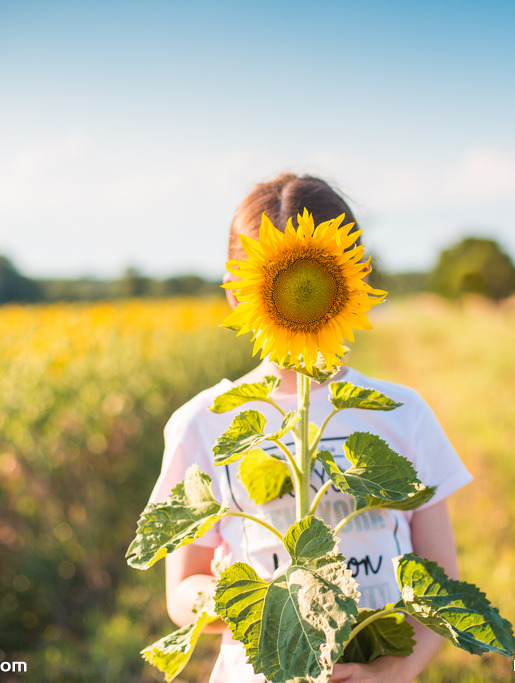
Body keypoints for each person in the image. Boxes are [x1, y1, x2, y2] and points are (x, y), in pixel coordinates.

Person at [149, 173, 474, 683]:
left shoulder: (402, 413)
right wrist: (244, 600)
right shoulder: (204, 422)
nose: (303, 293)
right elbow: (181, 591)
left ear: (355, 280)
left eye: (316, 278)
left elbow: (442, 586)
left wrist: (391, 672)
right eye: (277, 279)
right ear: (238, 292)